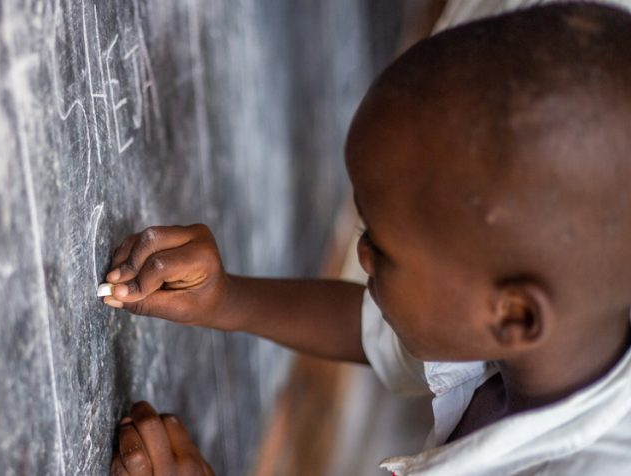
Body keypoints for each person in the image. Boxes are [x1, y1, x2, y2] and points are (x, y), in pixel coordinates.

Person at [103, 3, 631, 475]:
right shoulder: (554, 326)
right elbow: (385, 334)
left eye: (383, 250)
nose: (361, 254)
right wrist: (226, 298)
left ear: (514, 316)